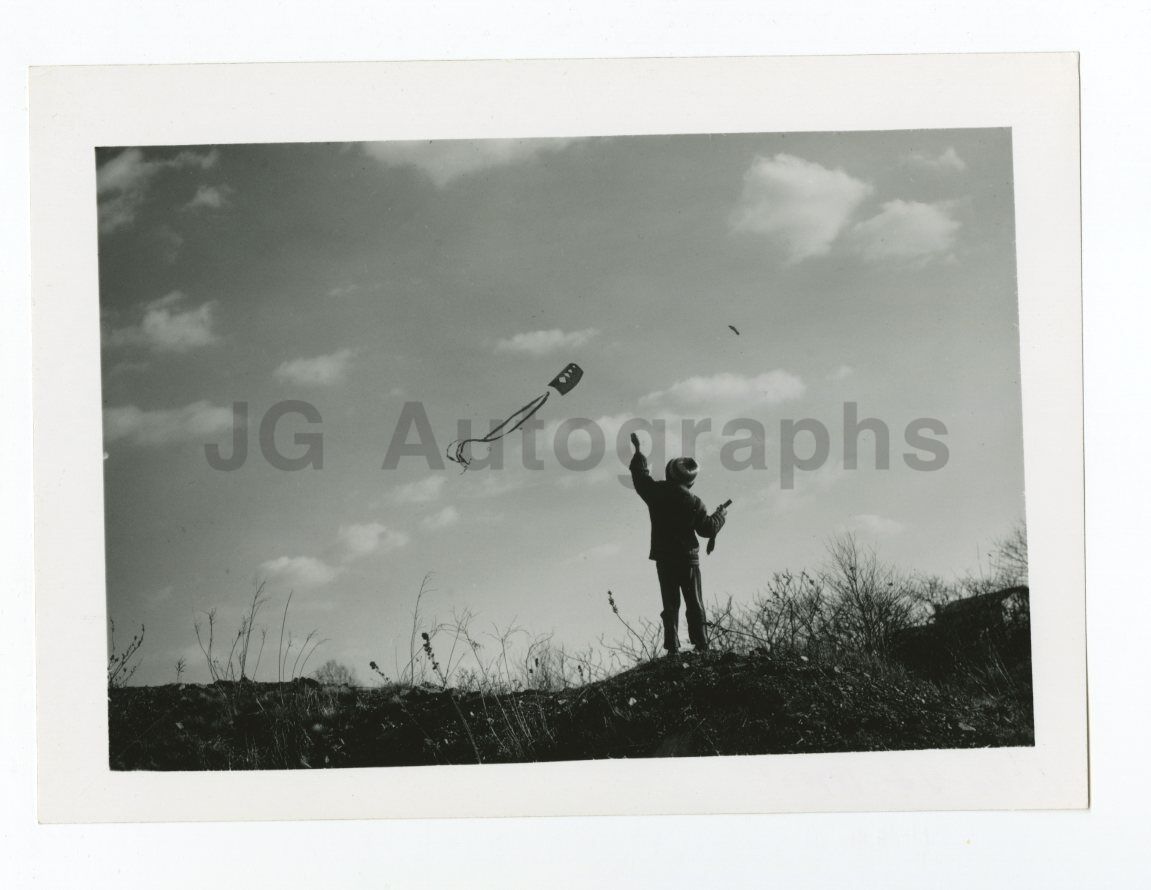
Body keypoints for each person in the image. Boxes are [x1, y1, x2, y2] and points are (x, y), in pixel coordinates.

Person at [629, 435, 727, 655]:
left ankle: (672, 646)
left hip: (664, 557)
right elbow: (707, 529)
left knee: (670, 603)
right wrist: (721, 516)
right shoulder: (694, 502)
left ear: (668, 471)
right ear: (690, 480)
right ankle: (701, 644)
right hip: (688, 558)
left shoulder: (655, 493)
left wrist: (638, 451)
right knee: (694, 602)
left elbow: (640, 476)